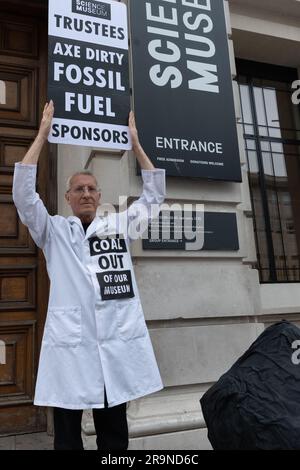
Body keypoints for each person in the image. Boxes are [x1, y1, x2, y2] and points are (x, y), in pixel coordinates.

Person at [12, 101, 166, 450]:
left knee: (114, 435)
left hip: (114, 345)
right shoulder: (52, 230)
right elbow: (23, 195)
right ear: (67, 198)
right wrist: (41, 136)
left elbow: (154, 195)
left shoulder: (118, 226)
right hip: (71, 347)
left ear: (99, 197)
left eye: (91, 189)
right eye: (78, 189)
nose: (86, 193)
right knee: (67, 436)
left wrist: (136, 146)